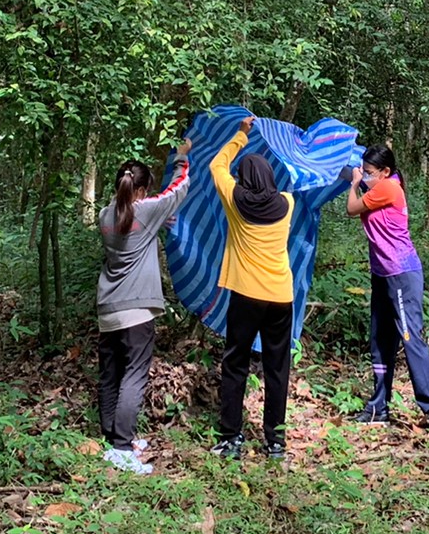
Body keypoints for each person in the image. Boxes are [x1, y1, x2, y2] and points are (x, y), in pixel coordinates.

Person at [94, 137, 192, 475]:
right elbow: (177, 191)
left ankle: (113, 437)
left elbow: (130, 222)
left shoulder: (105, 215)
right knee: (134, 375)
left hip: (109, 309)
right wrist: (181, 158)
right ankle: (122, 448)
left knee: (110, 374)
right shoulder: (145, 210)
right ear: (140, 191)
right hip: (137, 310)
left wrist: (157, 221)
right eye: (146, 190)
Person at [208, 116, 296, 460]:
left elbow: (217, 165)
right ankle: (275, 441)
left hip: (246, 294)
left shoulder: (235, 199)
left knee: (235, 363)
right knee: (277, 368)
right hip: (281, 297)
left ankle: (231, 437)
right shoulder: (287, 203)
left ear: (243, 179)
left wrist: (241, 134)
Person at [346, 146, 429, 428]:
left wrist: (354, 184)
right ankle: (378, 407)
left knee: (409, 336)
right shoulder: (379, 186)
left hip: (401, 273)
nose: (366, 176)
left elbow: (352, 209)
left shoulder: (388, 188)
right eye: (364, 171)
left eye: (370, 172)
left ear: (385, 172)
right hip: (382, 273)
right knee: (381, 341)